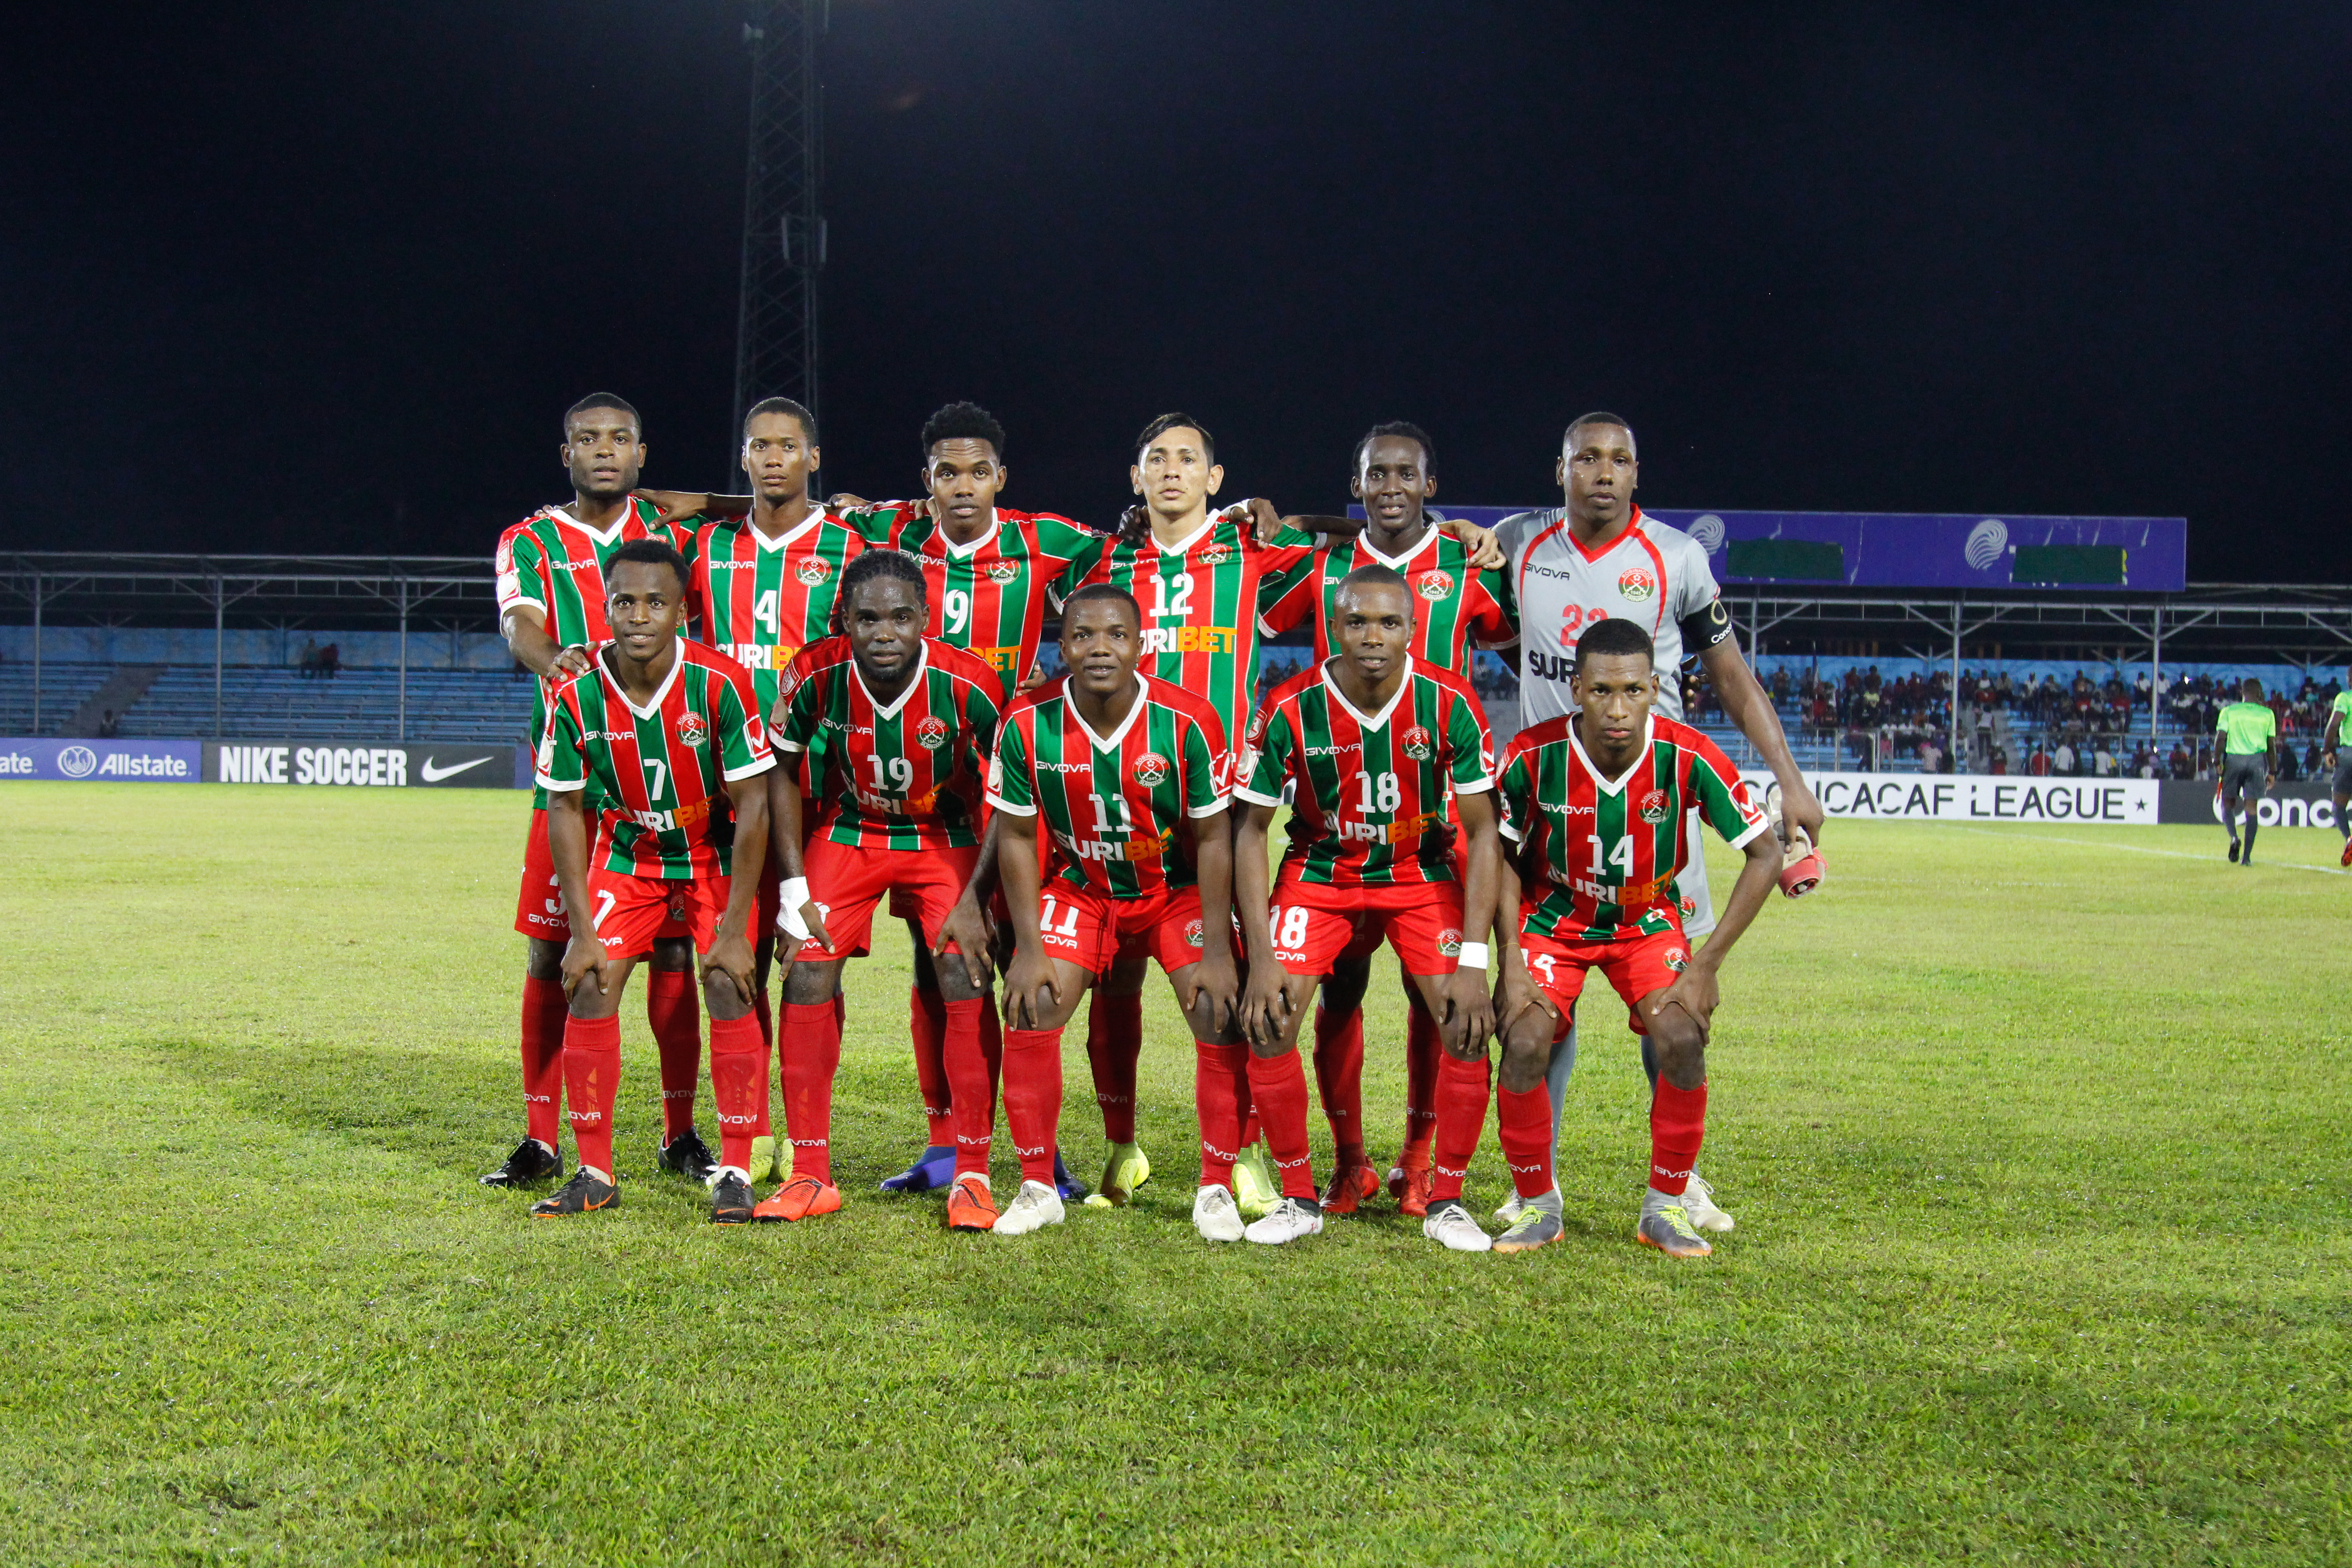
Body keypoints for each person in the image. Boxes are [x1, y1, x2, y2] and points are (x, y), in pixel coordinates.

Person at [1488, 412, 1821, 1235]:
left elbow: (1731, 675)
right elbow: (1423, 574)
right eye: (1585, 459)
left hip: (1658, 815)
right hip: (1546, 812)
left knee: (1674, 1009)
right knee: (1537, 1015)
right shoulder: (1514, 546)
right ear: (1557, 468)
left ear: (1637, 473)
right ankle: (1536, 1182)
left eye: (1619, 460)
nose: (1602, 472)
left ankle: (1681, 1180)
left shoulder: (1675, 559)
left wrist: (1789, 778)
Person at [1254, 422, 1517, 1218]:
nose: (1392, 486)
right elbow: (1264, 603)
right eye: (1377, 475)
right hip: (1329, 826)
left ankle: (1418, 1160)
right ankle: (1345, 1163)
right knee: (1337, 995)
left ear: (1431, 486)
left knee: (1433, 999)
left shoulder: (1466, 566)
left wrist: (1473, 538)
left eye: (1407, 474)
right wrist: (1302, 523)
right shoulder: (1319, 561)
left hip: (1428, 827)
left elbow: (1511, 638)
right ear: (1357, 482)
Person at [481, 394, 717, 1192]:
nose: (603, 451)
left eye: (619, 439)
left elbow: (759, 511)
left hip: (676, 780)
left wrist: (706, 499)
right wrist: (549, 658)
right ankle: (542, 1139)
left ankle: (680, 1132)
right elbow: (518, 621)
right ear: (565, 453)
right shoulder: (531, 538)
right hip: (578, 778)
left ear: (642, 456)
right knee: (555, 954)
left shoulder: (676, 536)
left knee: (676, 953)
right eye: (587, 439)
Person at [1488, 617, 1782, 1257]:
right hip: (1554, 917)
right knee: (1525, 1037)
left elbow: (1766, 853)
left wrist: (1707, 963)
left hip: (1646, 920)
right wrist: (1509, 961)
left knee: (1680, 1033)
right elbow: (1503, 858)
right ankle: (1537, 1204)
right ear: (1575, 690)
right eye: (1601, 692)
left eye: (1631, 691)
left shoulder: (1689, 755)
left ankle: (1666, 1207)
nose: (1617, 709)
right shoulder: (1532, 756)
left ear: (1654, 688)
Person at [986, 585, 1244, 1240]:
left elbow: (1216, 837)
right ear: (1062, 644)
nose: (1099, 648)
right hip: (1084, 886)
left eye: (1116, 636)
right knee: (1033, 1004)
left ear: (1141, 643)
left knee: (1217, 1009)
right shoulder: (1025, 723)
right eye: (1082, 636)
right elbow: (1016, 836)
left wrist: (1218, 950)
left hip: (1173, 888)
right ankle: (1038, 1185)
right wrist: (1029, 948)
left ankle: (1215, 1188)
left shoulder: (1187, 720)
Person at [529, 540, 775, 1223]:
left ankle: (734, 1166)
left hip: (710, 855)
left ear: (682, 610)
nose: (639, 616)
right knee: (591, 981)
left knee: (728, 980)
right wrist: (582, 934)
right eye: (624, 602)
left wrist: (733, 932)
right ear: (606, 607)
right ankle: (595, 1171)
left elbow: (753, 805)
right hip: (629, 855)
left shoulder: (720, 683)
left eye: (656, 602)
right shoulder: (576, 695)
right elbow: (565, 807)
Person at [764, 551, 1009, 1227]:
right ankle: (811, 1174)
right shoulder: (812, 673)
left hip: (945, 834)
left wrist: (977, 897)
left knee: (964, 974)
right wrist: (791, 888)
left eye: (901, 617)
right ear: (843, 619)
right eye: (867, 618)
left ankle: (973, 1174)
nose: (884, 633)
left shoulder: (971, 682)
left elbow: (1011, 790)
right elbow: (782, 772)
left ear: (925, 619)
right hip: (852, 830)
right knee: (807, 973)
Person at [2215, 677, 2279, 864]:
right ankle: (2247, 858)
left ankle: (2234, 838)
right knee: (2252, 809)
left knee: (2228, 803)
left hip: (2234, 760)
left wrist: (2216, 761)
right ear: (2259, 694)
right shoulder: (2268, 714)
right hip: (2256, 761)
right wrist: (2272, 771)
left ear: (2242, 693)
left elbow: (2220, 738)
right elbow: (2271, 745)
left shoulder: (2229, 712)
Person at [2328, 667, 2352, 864]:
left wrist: (2327, 750)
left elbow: (2334, 724)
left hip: (2348, 755)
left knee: (2339, 805)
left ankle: (2349, 839)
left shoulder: (2345, 698)